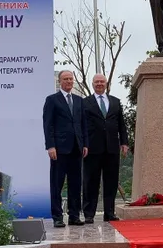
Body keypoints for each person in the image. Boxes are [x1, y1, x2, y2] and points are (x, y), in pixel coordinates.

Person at [43, 70, 89, 227]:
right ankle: (57, 216)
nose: (69, 81)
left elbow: (83, 124)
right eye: (66, 79)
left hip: (77, 148)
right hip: (59, 149)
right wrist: (50, 146)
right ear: (60, 81)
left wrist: (85, 144)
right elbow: (48, 124)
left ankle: (74, 215)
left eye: (71, 79)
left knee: (76, 184)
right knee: (57, 184)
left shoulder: (79, 100)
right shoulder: (52, 100)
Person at [82, 74, 129, 223]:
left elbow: (121, 124)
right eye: (97, 82)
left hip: (112, 148)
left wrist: (124, 142)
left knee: (111, 182)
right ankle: (89, 214)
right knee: (91, 182)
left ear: (106, 83)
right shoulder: (85, 103)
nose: (99, 84)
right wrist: (83, 144)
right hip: (91, 149)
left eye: (102, 81)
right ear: (92, 84)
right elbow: (81, 125)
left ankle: (109, 213)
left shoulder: (115, 102)